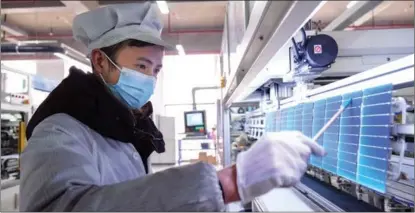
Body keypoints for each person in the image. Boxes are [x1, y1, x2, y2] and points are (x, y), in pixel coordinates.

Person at [19, 2, 326, 212]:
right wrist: (227, 183)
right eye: (141, 65)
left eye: (156, 70)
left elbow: (134, 200)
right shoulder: (59, 132)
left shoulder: (121, 128)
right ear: (100, 61)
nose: (150, 79)